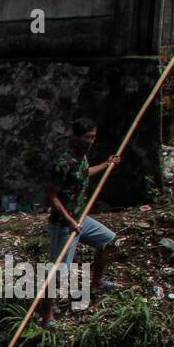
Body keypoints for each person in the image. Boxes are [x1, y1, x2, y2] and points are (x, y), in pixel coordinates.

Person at [41, 117, 122, 327]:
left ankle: (96, 282)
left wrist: (107, 164)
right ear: (75, 137)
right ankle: (46, 316)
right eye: (87, 137)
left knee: (108, 240)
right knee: (58, 271)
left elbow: (85, 174)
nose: (91, 141)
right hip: (63, 225)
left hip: (81, 219)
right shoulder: (63, 164)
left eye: (93, 137)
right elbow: (51, 196)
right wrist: (69, 222)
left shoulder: (82, 158)